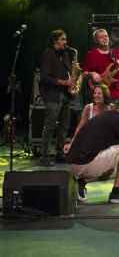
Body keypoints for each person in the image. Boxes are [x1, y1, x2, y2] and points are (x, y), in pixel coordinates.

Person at [65, 96, 119, 204]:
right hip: (84, 163)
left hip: (74, 166)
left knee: (117, 171)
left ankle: (80, 184)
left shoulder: (109, 116)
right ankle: (117, 193)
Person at [38, 29, 74, 166]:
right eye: (63, 39)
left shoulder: (64, 54)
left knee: (64, 126)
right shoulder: (48, 54)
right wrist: (64, 82)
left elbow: (66, 73)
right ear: (55, 40)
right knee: (50, 126)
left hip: (65, 94)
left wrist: (72, 77)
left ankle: (60, 152)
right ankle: (44, 156)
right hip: (53, 95)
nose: (66, 42)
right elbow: (45, 78)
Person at [64, 84, 114, 153]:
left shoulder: (111, 108)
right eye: (95, 93)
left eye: (99, 93)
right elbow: (80, 127)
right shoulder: (88, 108)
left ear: (105, 95)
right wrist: (71, 143)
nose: (96, 95)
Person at [83, 28, 119, 101]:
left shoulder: (117, 53)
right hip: (98, 96)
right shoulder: (91, 54)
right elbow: (84, 73)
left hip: (115, 95)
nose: (104, 38)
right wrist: (92, 73)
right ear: (96, 40)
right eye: (101, 37)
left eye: (106, 36)